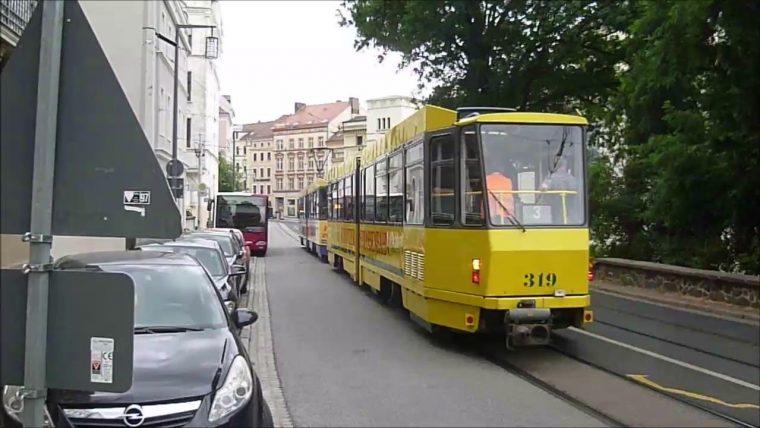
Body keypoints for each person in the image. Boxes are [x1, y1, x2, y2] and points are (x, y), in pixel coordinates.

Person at [485, 159, 516, 225]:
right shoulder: (508, 181)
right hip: (505, 210)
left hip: (489, 211)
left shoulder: (486, 179)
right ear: (502, 170)